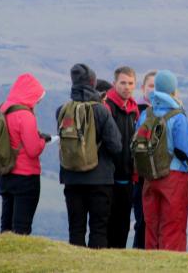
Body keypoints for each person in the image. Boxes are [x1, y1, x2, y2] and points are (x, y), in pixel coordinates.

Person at [57, 64, 122, 248]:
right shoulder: (101, 110)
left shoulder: (62, 110)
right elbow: (116, 146)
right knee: (98, 229)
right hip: (99, 180)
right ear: (93, 83)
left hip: (71, 178)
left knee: (76, 229)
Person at [137, 70, 188, 251]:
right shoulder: (178, 116)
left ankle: (151, 265)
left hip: (149, 175)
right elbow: (185, 149)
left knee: (152, 224)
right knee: (173, 225)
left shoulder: (146, 115)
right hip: (174, 176)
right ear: (173, 90)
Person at [0, 73, 50, 235]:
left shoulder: (2, 110)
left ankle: (1, 256)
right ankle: (17, 259)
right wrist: (43, 140)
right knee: (21, 228)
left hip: (5, 174)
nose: (36, 102)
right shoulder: (25, 116)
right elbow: (33, 150)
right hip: (25, 177)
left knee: (6, 226)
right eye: (37, 99)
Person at [105, 66, 140, 248]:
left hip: (127, 177)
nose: (127, 87)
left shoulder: (134, 110)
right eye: (123, 83)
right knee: (108, 225)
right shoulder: (107, 106)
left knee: (124, 224)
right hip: (109, 177)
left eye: (130, 83)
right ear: (114, 84)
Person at [133, 70, 156, 249]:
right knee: (142, 220)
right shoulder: (135, 110)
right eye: (151, 86)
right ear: (143, 88)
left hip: (156, 173)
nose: (154, 90)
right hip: (139, 175)